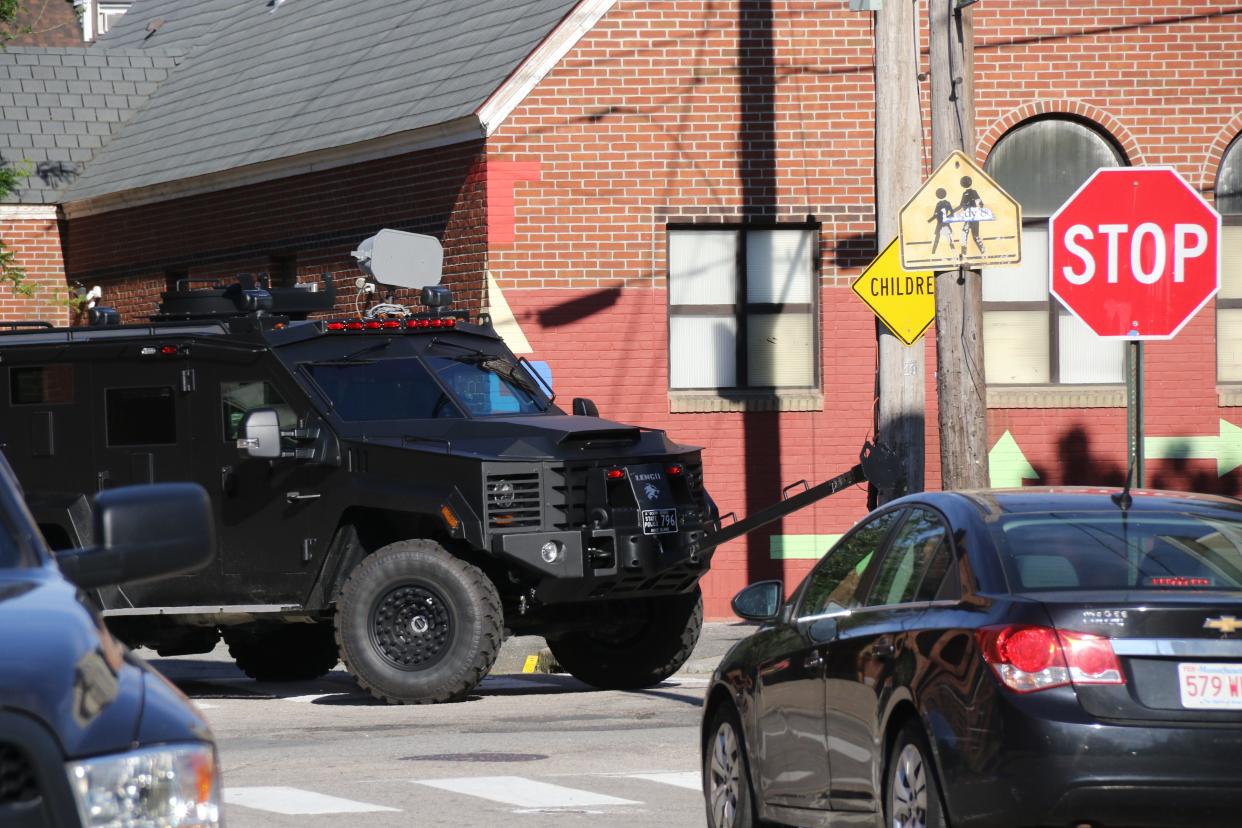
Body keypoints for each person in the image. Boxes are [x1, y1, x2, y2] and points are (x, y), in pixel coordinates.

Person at [957, 175, 986, 255]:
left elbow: (980, 203)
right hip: (969, 216)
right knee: (966, 233)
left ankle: (982, 251)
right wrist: (953, 211)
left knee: (974, 235)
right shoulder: (965, 193)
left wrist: (979, 209)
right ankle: (964, 252)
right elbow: (961, 205)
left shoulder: (973, 192)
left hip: (973, 216)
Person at [928, 188, 955, 255]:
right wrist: (947, 218)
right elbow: (952, 213)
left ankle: (933, 253)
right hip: (945, 224)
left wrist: (929, 221)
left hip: (940, 224)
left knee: (938, 239)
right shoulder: (947, 203)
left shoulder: (939, 204)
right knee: (948, 239)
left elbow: (935, 215)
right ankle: (954, 252)